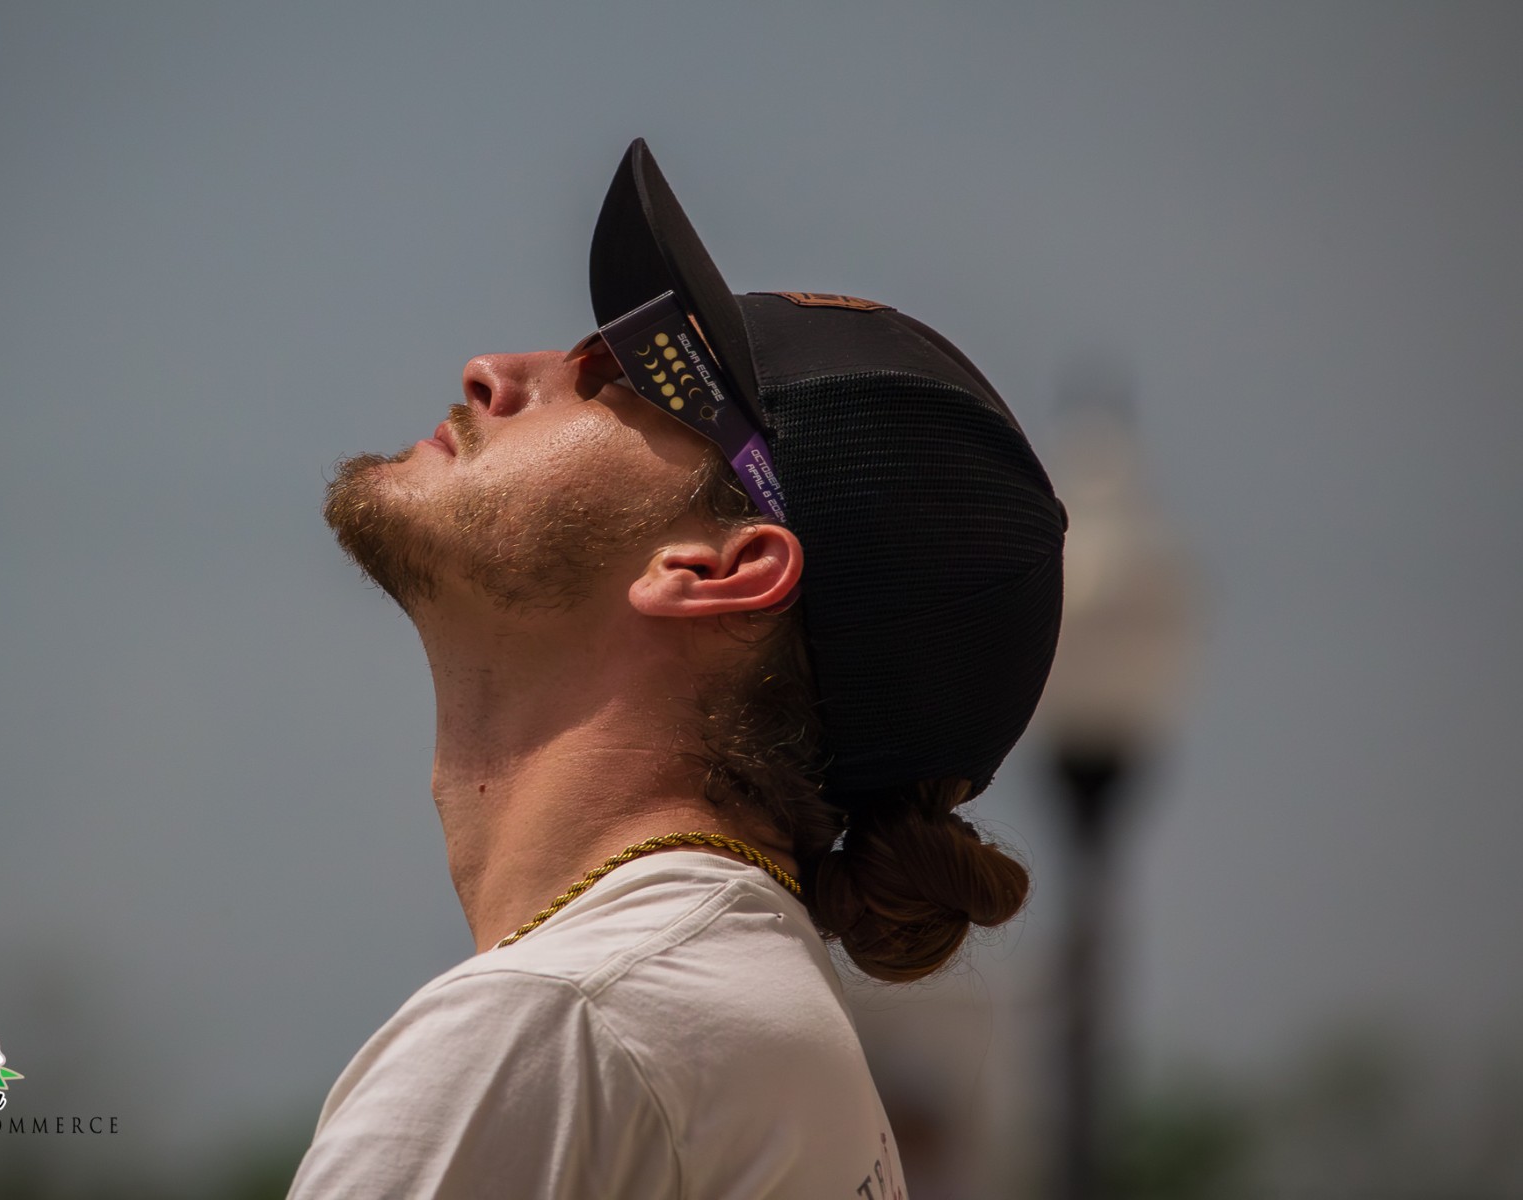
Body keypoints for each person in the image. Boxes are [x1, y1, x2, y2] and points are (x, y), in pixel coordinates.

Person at [287, 139, 1066, 1199]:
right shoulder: (724, 1025)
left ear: (716, 570)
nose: (494, 371)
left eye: (620, 379)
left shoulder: (565, 1029)